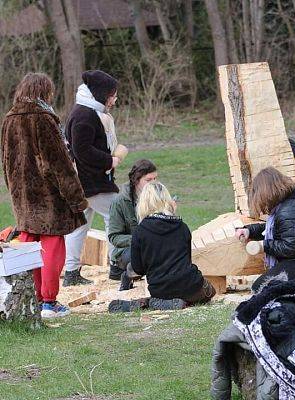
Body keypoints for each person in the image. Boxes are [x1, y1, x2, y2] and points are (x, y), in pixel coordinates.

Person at [1, 73, 87, 318]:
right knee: (51, 246)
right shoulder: (43, 118)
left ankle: (32, 299)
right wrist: (75, 198)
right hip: (48, 195)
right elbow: (57, 164)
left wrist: (14, 189)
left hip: (22, 194)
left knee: (28, 245)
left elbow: (6, 161)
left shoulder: (9, 118)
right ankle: (48, 301)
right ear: (43, 92)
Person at [111, 181, 215, 312]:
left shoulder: (140, 231)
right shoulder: (182, 227)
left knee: (162, 296)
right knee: (210, 291)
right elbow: (187, 260)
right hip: (190, 285)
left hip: (160, 289)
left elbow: (138, 268)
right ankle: (181, 302)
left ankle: (150, 303)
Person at [63, 70, 122, 286]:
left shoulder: (87, 112)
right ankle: (117, 266)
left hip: (86, 181)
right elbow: (82, 151)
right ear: (101, 94)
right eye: (112, 95)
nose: (114, 99)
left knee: (80, 225)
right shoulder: (84, 116)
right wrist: (109, 161)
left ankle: (71, 273)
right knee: (116, 217)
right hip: (91, 182)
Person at [108, 160, 158, 290]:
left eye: (155, 179)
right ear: (136, 181)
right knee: (143, 253)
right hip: (127, 250)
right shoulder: (120, 201)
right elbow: (114, 236)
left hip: (153, 245)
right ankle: (127, 274)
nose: (153, 183)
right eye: (148, 180)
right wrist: (139, 240)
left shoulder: (158, 198)